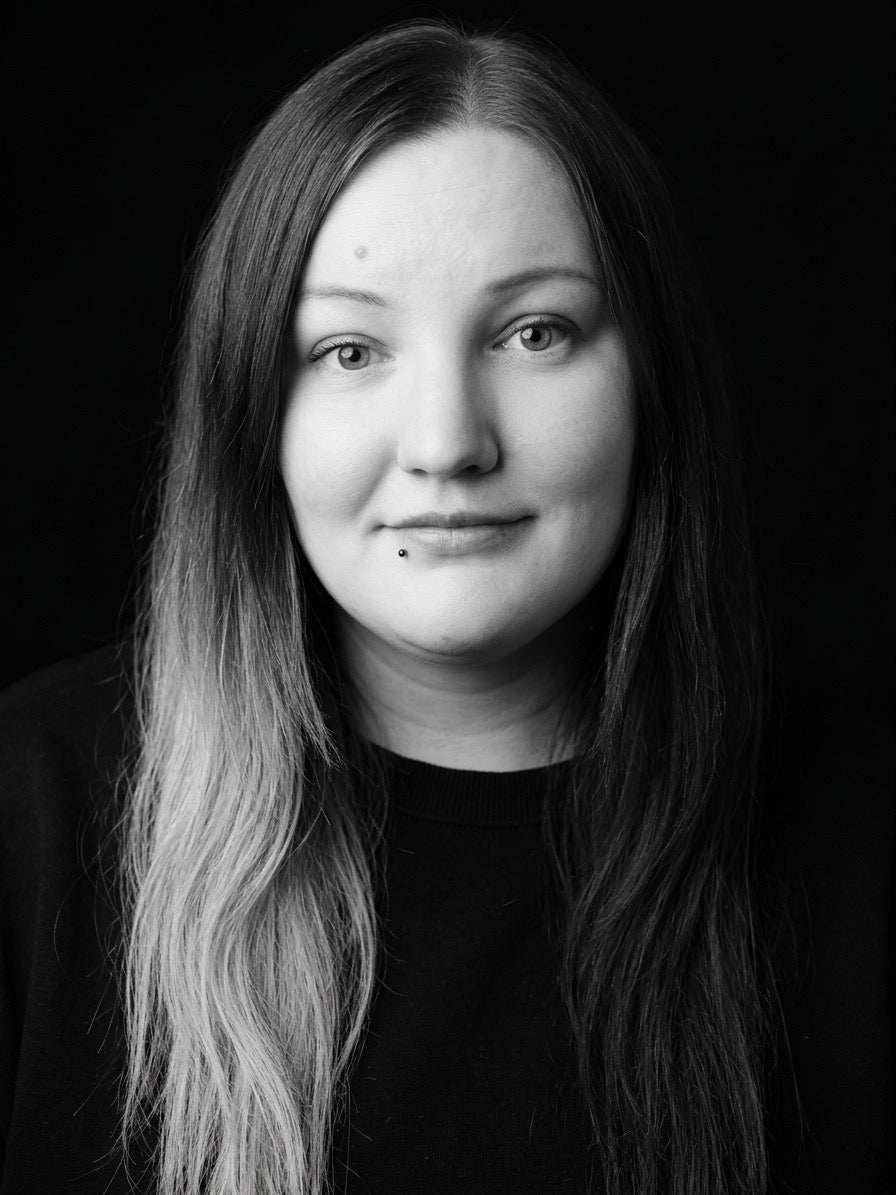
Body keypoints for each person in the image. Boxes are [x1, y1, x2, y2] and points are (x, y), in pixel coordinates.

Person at [0, 20, 891, 1195]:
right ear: (249, 414)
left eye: (534, 332)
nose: (444, 444)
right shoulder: (30, 805)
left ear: (651, 387)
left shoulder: (855, 834)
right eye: (351, 350)